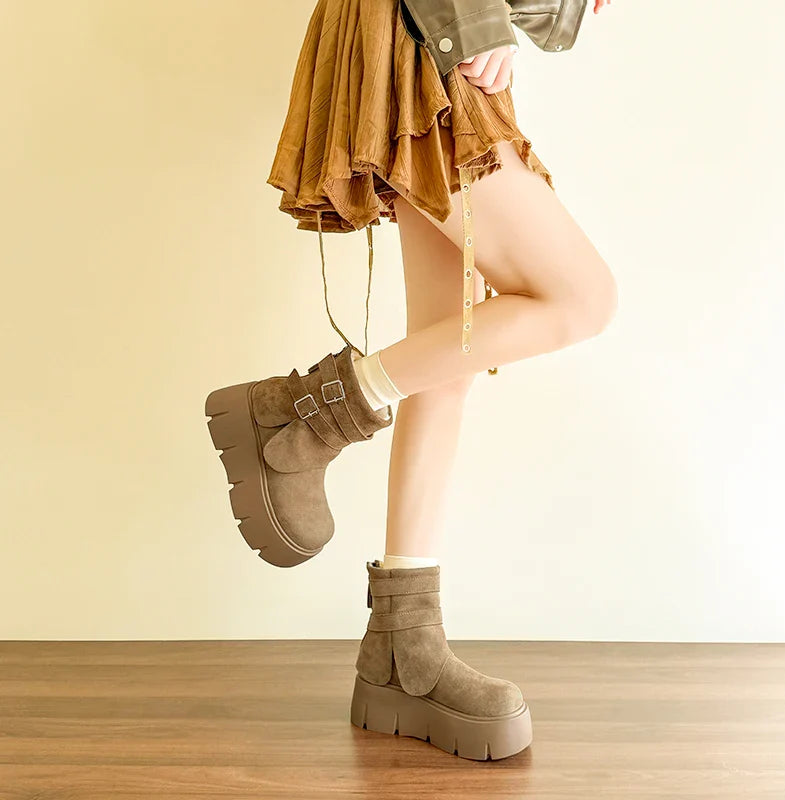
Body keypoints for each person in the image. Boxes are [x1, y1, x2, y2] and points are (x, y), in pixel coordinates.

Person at [206, 0, 615, 760]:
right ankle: (306, 414)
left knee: (445, 355)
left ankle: (403, 649)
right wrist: (477, 22)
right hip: (435, 31)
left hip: (434, 32)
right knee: (581, 298)